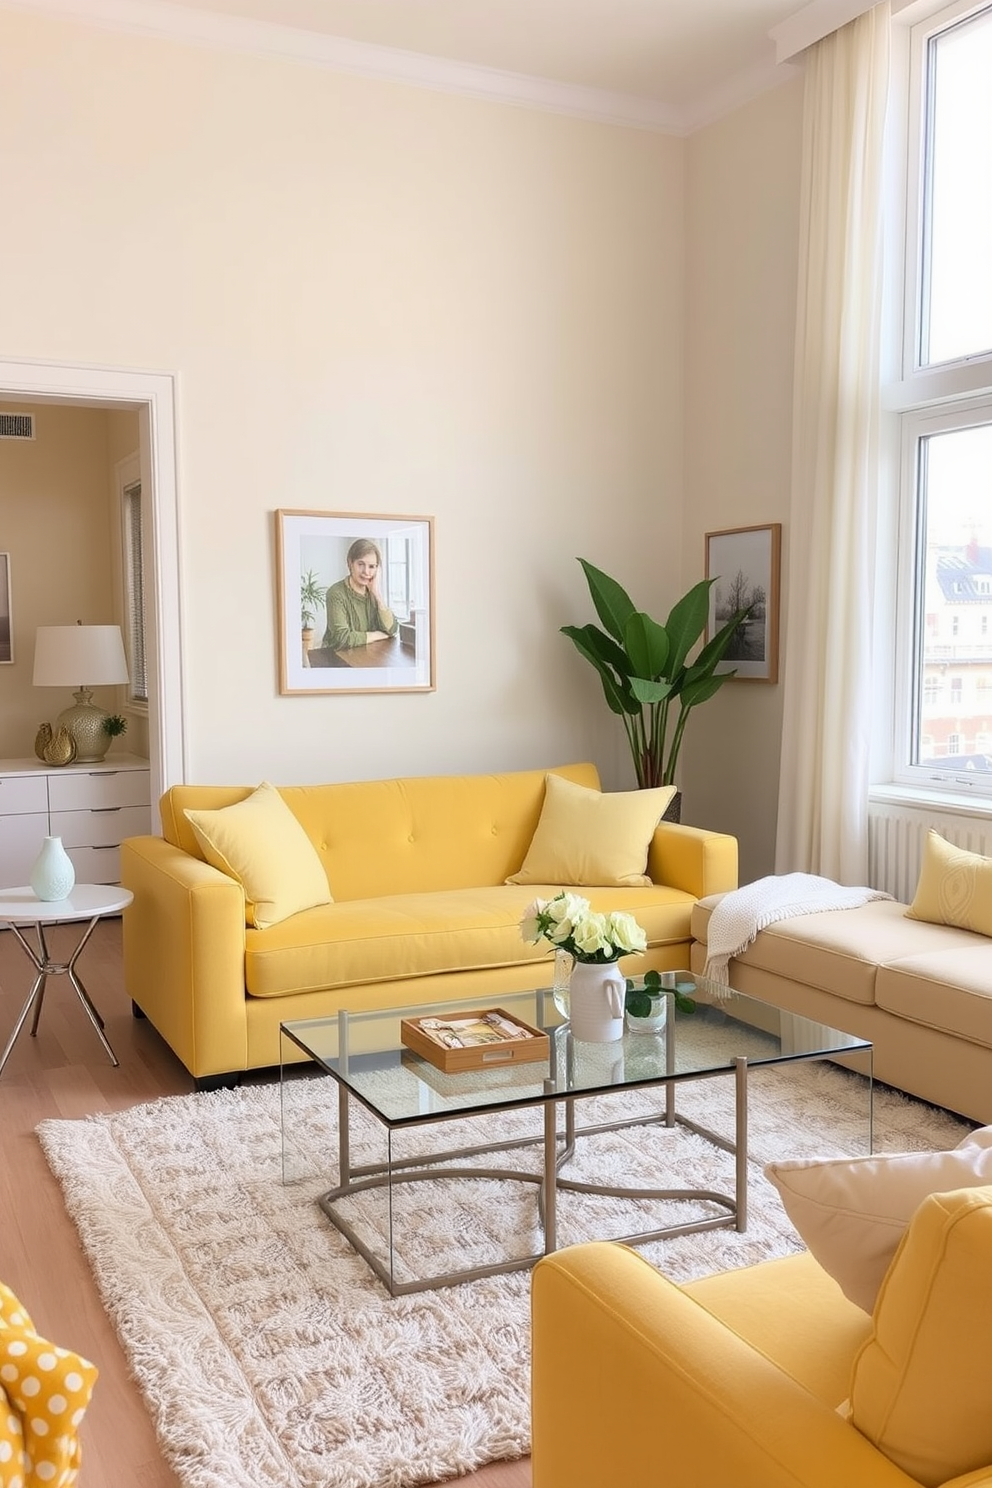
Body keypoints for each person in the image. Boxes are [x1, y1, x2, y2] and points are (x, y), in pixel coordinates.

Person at [322, 538, 399, 651]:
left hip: (366, 655)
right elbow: (342, 638)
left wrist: (377, 594)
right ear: (350, 563)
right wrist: (378, 635)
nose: (366, 572)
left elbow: (392, 629)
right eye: (361, 564)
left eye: (372, 566)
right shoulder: (336, 593)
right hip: (336, 657)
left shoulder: (372, 593)